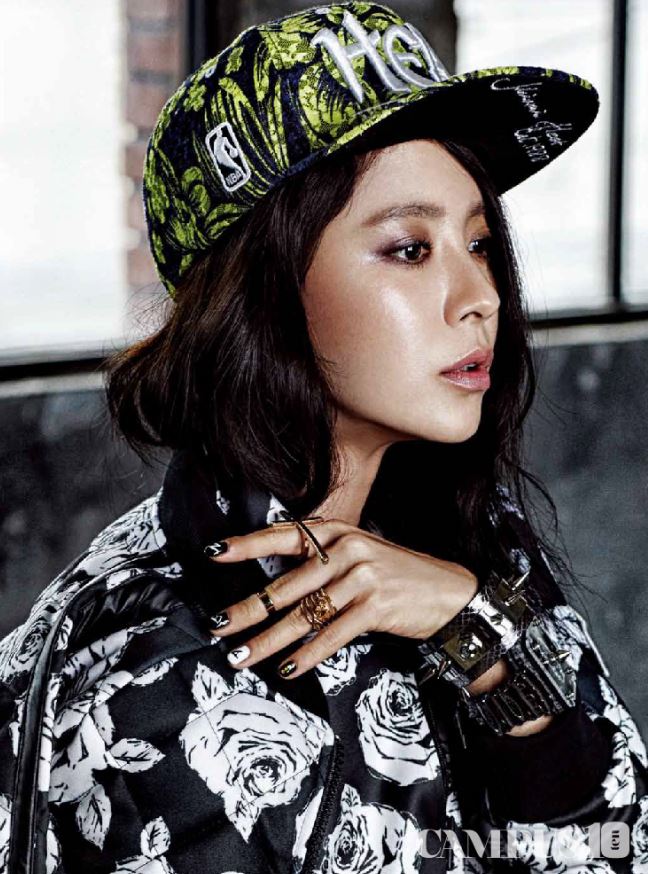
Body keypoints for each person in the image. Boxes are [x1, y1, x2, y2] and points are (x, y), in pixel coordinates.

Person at [1, 2, 647, 872]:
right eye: (409, 249)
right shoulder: (166, 672)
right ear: (263, 292)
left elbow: (616, 844)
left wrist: (486, 641)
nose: (482, 297)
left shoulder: (467, 543)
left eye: (479, 243)